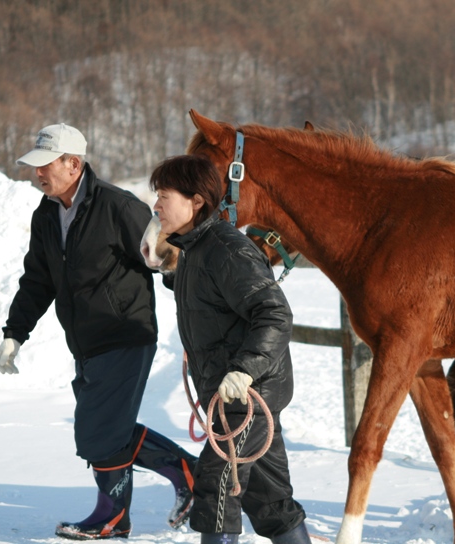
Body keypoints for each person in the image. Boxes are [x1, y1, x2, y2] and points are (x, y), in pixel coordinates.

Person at [0, 123, 197, 540]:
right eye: (35, 166)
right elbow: (38, 280)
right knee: (108, 428)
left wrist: (198, 305)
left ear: (73, 164)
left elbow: (166, 258)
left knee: (97, 431)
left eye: (45, 165)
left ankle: (115, 512)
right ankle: (183, 478)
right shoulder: (47, 214)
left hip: (126, 333)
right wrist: (15, 332)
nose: (37, 174)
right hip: (85, 342)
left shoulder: (117, 207)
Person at [148, 154, 312, 544]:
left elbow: (274, 313)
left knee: (216, 488)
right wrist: (165, 277)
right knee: (269, 500)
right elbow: (213, 298)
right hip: (231, 395)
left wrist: (244, 370)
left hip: (246, 396)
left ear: (196, 202)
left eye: (164, 196)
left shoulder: (225, 248)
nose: (156, 205)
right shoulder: (194, 250)